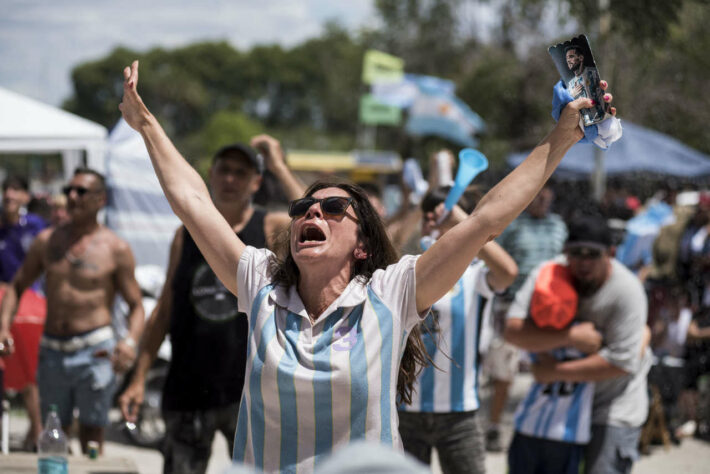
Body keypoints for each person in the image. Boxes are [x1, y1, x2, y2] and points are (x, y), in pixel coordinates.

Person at [119, 59, 613, 472]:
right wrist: (146, 125)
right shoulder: (261, 284)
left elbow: (486, 221)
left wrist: (562, 138)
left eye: (333, 209)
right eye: (302, 209)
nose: (311, 212)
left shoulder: (392, 292)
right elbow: (192, 202)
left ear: (362, 245)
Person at [118, 136, 304, 474]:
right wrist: (139, 377)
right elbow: (165, 308)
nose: (231, 179)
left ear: (256, 182)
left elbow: (315, 216)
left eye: (241, 172)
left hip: (251, 389)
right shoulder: (186, 233)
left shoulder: (270, 228)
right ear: (210, 175)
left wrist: (278, 165)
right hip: (189, 385)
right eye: (225, 170)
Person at [0, 168, 144, 455]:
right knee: (54, 433)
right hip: (53, 350)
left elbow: (137, 306)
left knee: (92, 435)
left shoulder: (115, 248)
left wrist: (129, 342)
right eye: (69, 191)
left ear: (100, 199)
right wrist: (3, 327)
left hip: (95, 352)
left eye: (81, 191)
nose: (72, 197)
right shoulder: (47, 241)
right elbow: (16, 287)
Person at [505, 215, 651, 474]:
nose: (583, 262)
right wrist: (569, 337)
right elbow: (513, 331)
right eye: (576, 253)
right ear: (565, 252)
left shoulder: (627, 291)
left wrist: (553, 373)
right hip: (562, 408)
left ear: (611, 253)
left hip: (610, 407)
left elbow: (621, 362)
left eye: (593, 254)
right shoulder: (548, 275)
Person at [398, 186, 517, 474]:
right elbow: (388, 241)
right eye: (428, 218)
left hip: (459, 414)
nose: (432, 224)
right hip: (404, 412)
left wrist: (466, 224)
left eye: (439, 218)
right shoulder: (404, 269)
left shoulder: (474, 273)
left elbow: (508, 273)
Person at [484, 184, 568, 451]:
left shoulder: (559, 226)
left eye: (547, 192)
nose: (543, 196)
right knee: (504, 371)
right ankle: (495, 427)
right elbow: (499, 263)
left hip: (550, 309)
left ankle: (548, 426)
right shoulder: (514, 226)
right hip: (513, 306)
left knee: (548, 366)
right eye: (538, 191)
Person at [0, 176, 48, 450]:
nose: (9, 195)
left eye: (16, 190)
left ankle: (38, 429)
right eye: (6, 189)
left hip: (31, 307)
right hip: (4, 306)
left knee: (31, 370)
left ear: (25, 197)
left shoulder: (36, 228)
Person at [564, 45, 606, 125]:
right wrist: (571, 96)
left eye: (571, 57)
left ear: (581, 58)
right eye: (567, 58)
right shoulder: (570, 85)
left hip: (602, 120)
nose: (568, 60)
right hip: (585, 126)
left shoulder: (594, 74)